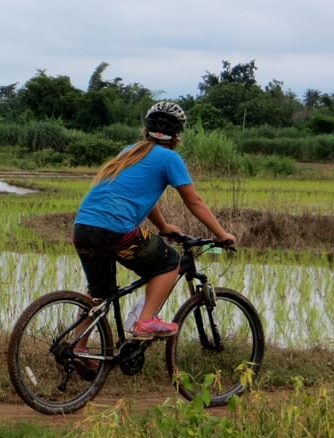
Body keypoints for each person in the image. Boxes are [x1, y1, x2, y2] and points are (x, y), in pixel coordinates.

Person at [72, 101, 237, 343]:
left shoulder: (129, 151)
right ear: (177, 135)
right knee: (170, 261)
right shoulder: (169, 158)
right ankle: (146, 321)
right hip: (115, 231)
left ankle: (77, 349)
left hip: (83, 228)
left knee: (99, 293)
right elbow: (194, 201)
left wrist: (163, 227)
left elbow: (143, 197)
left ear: (146, 130)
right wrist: (221, 234)